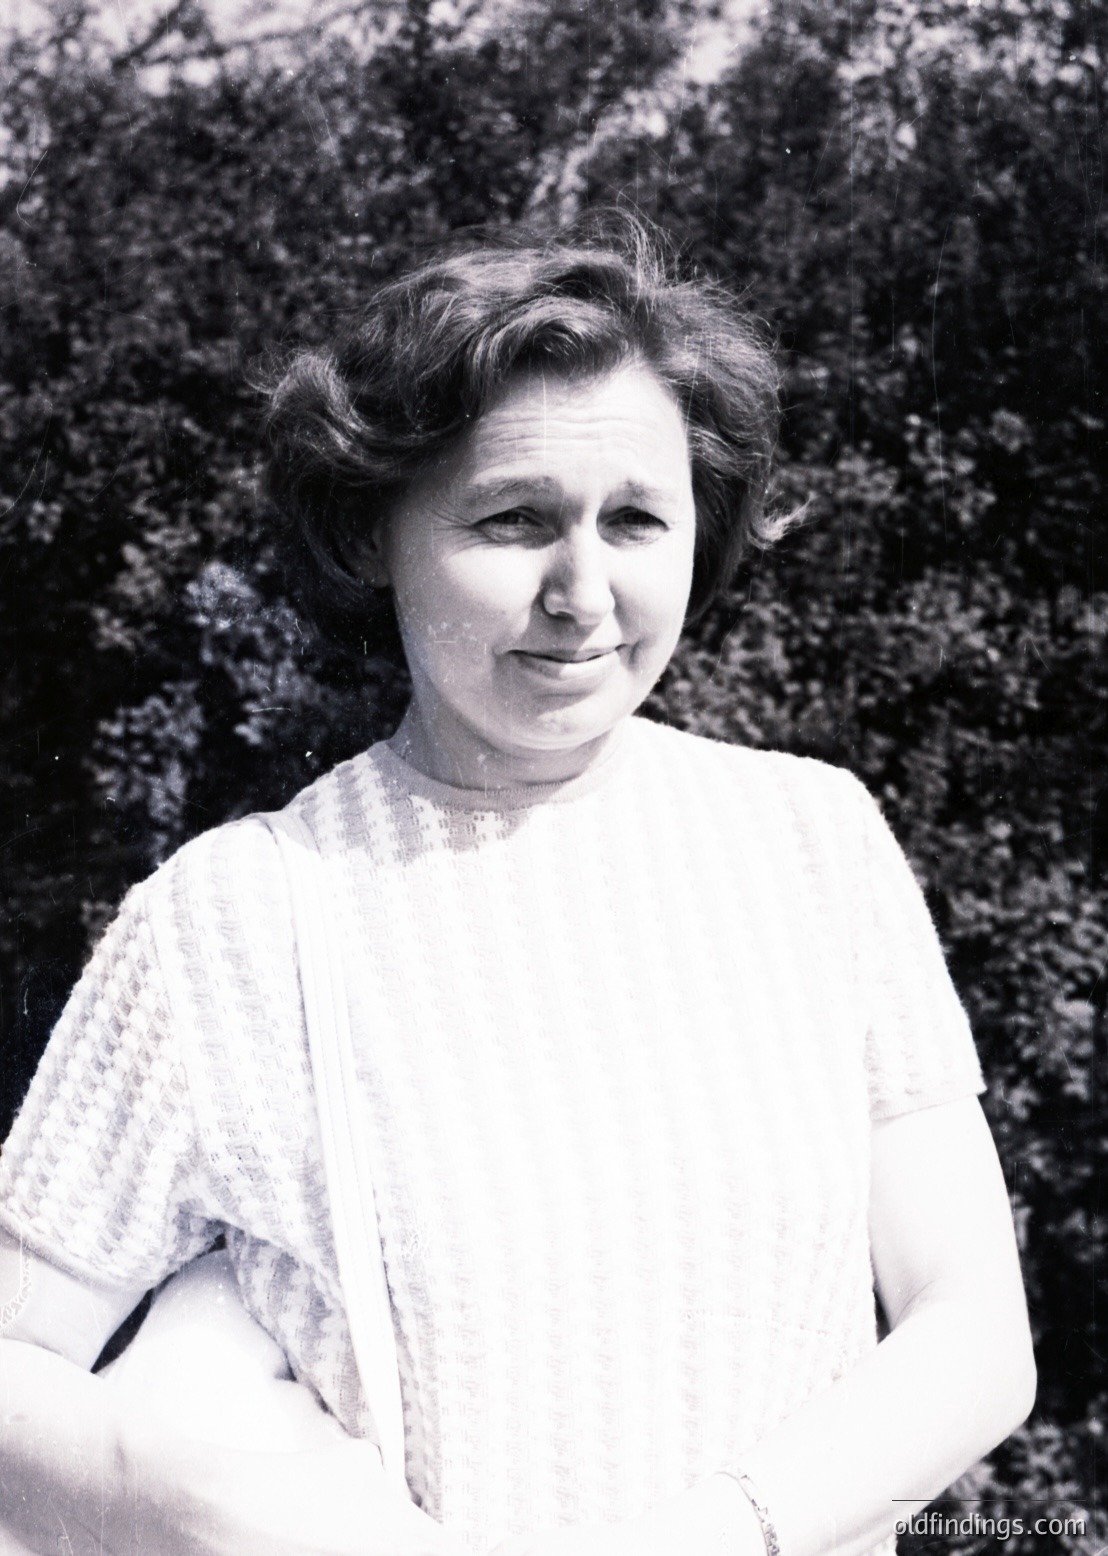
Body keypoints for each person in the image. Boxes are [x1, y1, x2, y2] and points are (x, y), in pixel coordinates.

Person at [0, 215, 1035, 1556]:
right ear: (379, 535)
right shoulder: (233, 920)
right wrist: (162, 1492)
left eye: (638, 521)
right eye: (514, 520)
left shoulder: (807, 841)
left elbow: (973, 1333)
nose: (585, 592)